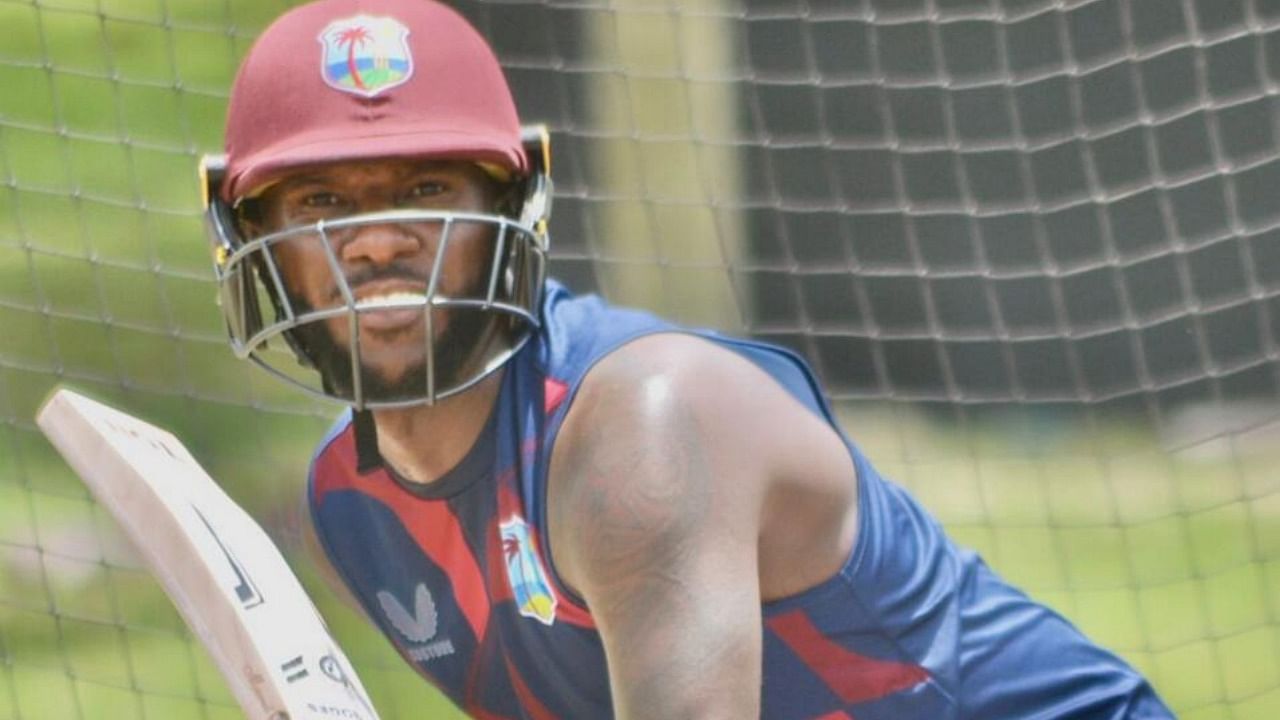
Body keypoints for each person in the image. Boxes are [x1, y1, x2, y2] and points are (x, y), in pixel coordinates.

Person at [200, 0, 1173, 717]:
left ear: (516, 206)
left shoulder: (645, 427)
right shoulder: (349, 506)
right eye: (319, 204)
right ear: (241, 233)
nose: (375, 242)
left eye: (425, 186)